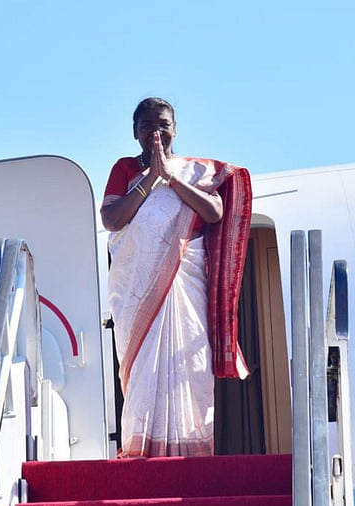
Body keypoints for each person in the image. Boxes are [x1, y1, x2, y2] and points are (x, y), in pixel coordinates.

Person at [100, 97, 252, 457]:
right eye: (147, 125)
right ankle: (141, 451)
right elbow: (112, 219)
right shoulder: (124, 168)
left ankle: (192, 451)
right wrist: (150, 179)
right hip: (139, 290)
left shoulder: (193, 171)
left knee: (189, 365)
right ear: (135, 132)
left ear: (175, 129)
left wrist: (170, 178)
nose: (156, 132)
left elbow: (214, 211)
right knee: (143, 369)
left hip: (185, 283)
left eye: (163, 124)